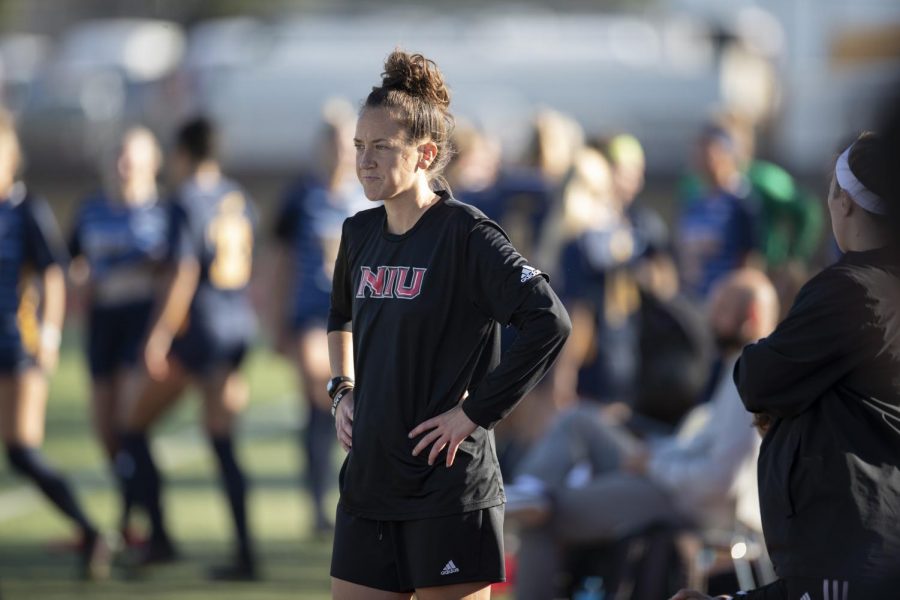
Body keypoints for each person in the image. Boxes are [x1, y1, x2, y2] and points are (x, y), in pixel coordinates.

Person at [327, 50, 571, 600]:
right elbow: (339, 314)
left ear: (425, 153)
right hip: (369, 485)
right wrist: (341, 390)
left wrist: (474, 413)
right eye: (359, 147)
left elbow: (549, 322)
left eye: (381, 147)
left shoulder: (466, 234)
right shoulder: (358, 232)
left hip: (448, 489)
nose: (364, 161)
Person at [672, 132, 900, 599]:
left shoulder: (852, 290)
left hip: (850, 539)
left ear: (844, 203)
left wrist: (778, 395)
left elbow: (756, 378)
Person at [506, 268, 780, 600]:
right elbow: (697, 451)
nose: (710, 316)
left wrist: (652, 465)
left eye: (721, 308)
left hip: (685, 502)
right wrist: (646, 446)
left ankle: (527, 500)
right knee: (581, 419)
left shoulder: (749, 380)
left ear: (749, 316)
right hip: (670, 479)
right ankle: (529, 491)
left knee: (542, 519)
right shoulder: (740, 368)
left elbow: (717, 487)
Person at [118, 116, 259, 580]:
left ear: (180, 154)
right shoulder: (236, 196)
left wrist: (156, 337)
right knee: (222, 440)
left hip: (201, 332)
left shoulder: (183, 200)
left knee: (133, 425)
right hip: (237, 326)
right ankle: (244, 553)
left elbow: (185, 272)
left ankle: (159, 538)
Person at [0, 112, 108, 579]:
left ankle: (90, 531)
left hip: (16, 348)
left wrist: (48, 335)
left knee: (22, 451)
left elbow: (52, 275)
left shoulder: (25, 210)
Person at [271, 99, 370, 535]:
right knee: (322, 386)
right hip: (313, 317)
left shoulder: (365, 195)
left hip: (362, 317)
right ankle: (316, 502)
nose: (339, 152)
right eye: (332, 142)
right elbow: (280, 261)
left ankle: (351, 496)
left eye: (346, 143)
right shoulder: (300, 196)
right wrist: (274, 319)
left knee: (348, 406)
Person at [68, 127, 167, 545]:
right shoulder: (90, 210)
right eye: (118, 157)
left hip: (139, 324)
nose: (124, 165)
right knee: (106, 432)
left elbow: (175, 270)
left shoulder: (163, 213)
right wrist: (81, 282)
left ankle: (147, 525)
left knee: (129, 425)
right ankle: (131, 516)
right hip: (102, 324)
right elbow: (69, 264)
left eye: (133, 157)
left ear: (151, 164)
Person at [676, 124, 760, 299]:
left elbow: (750, 258)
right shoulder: (693, 201)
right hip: (693, 298)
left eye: (709, 153)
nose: (703, 160)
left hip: (725, 303)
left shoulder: (741, 202)